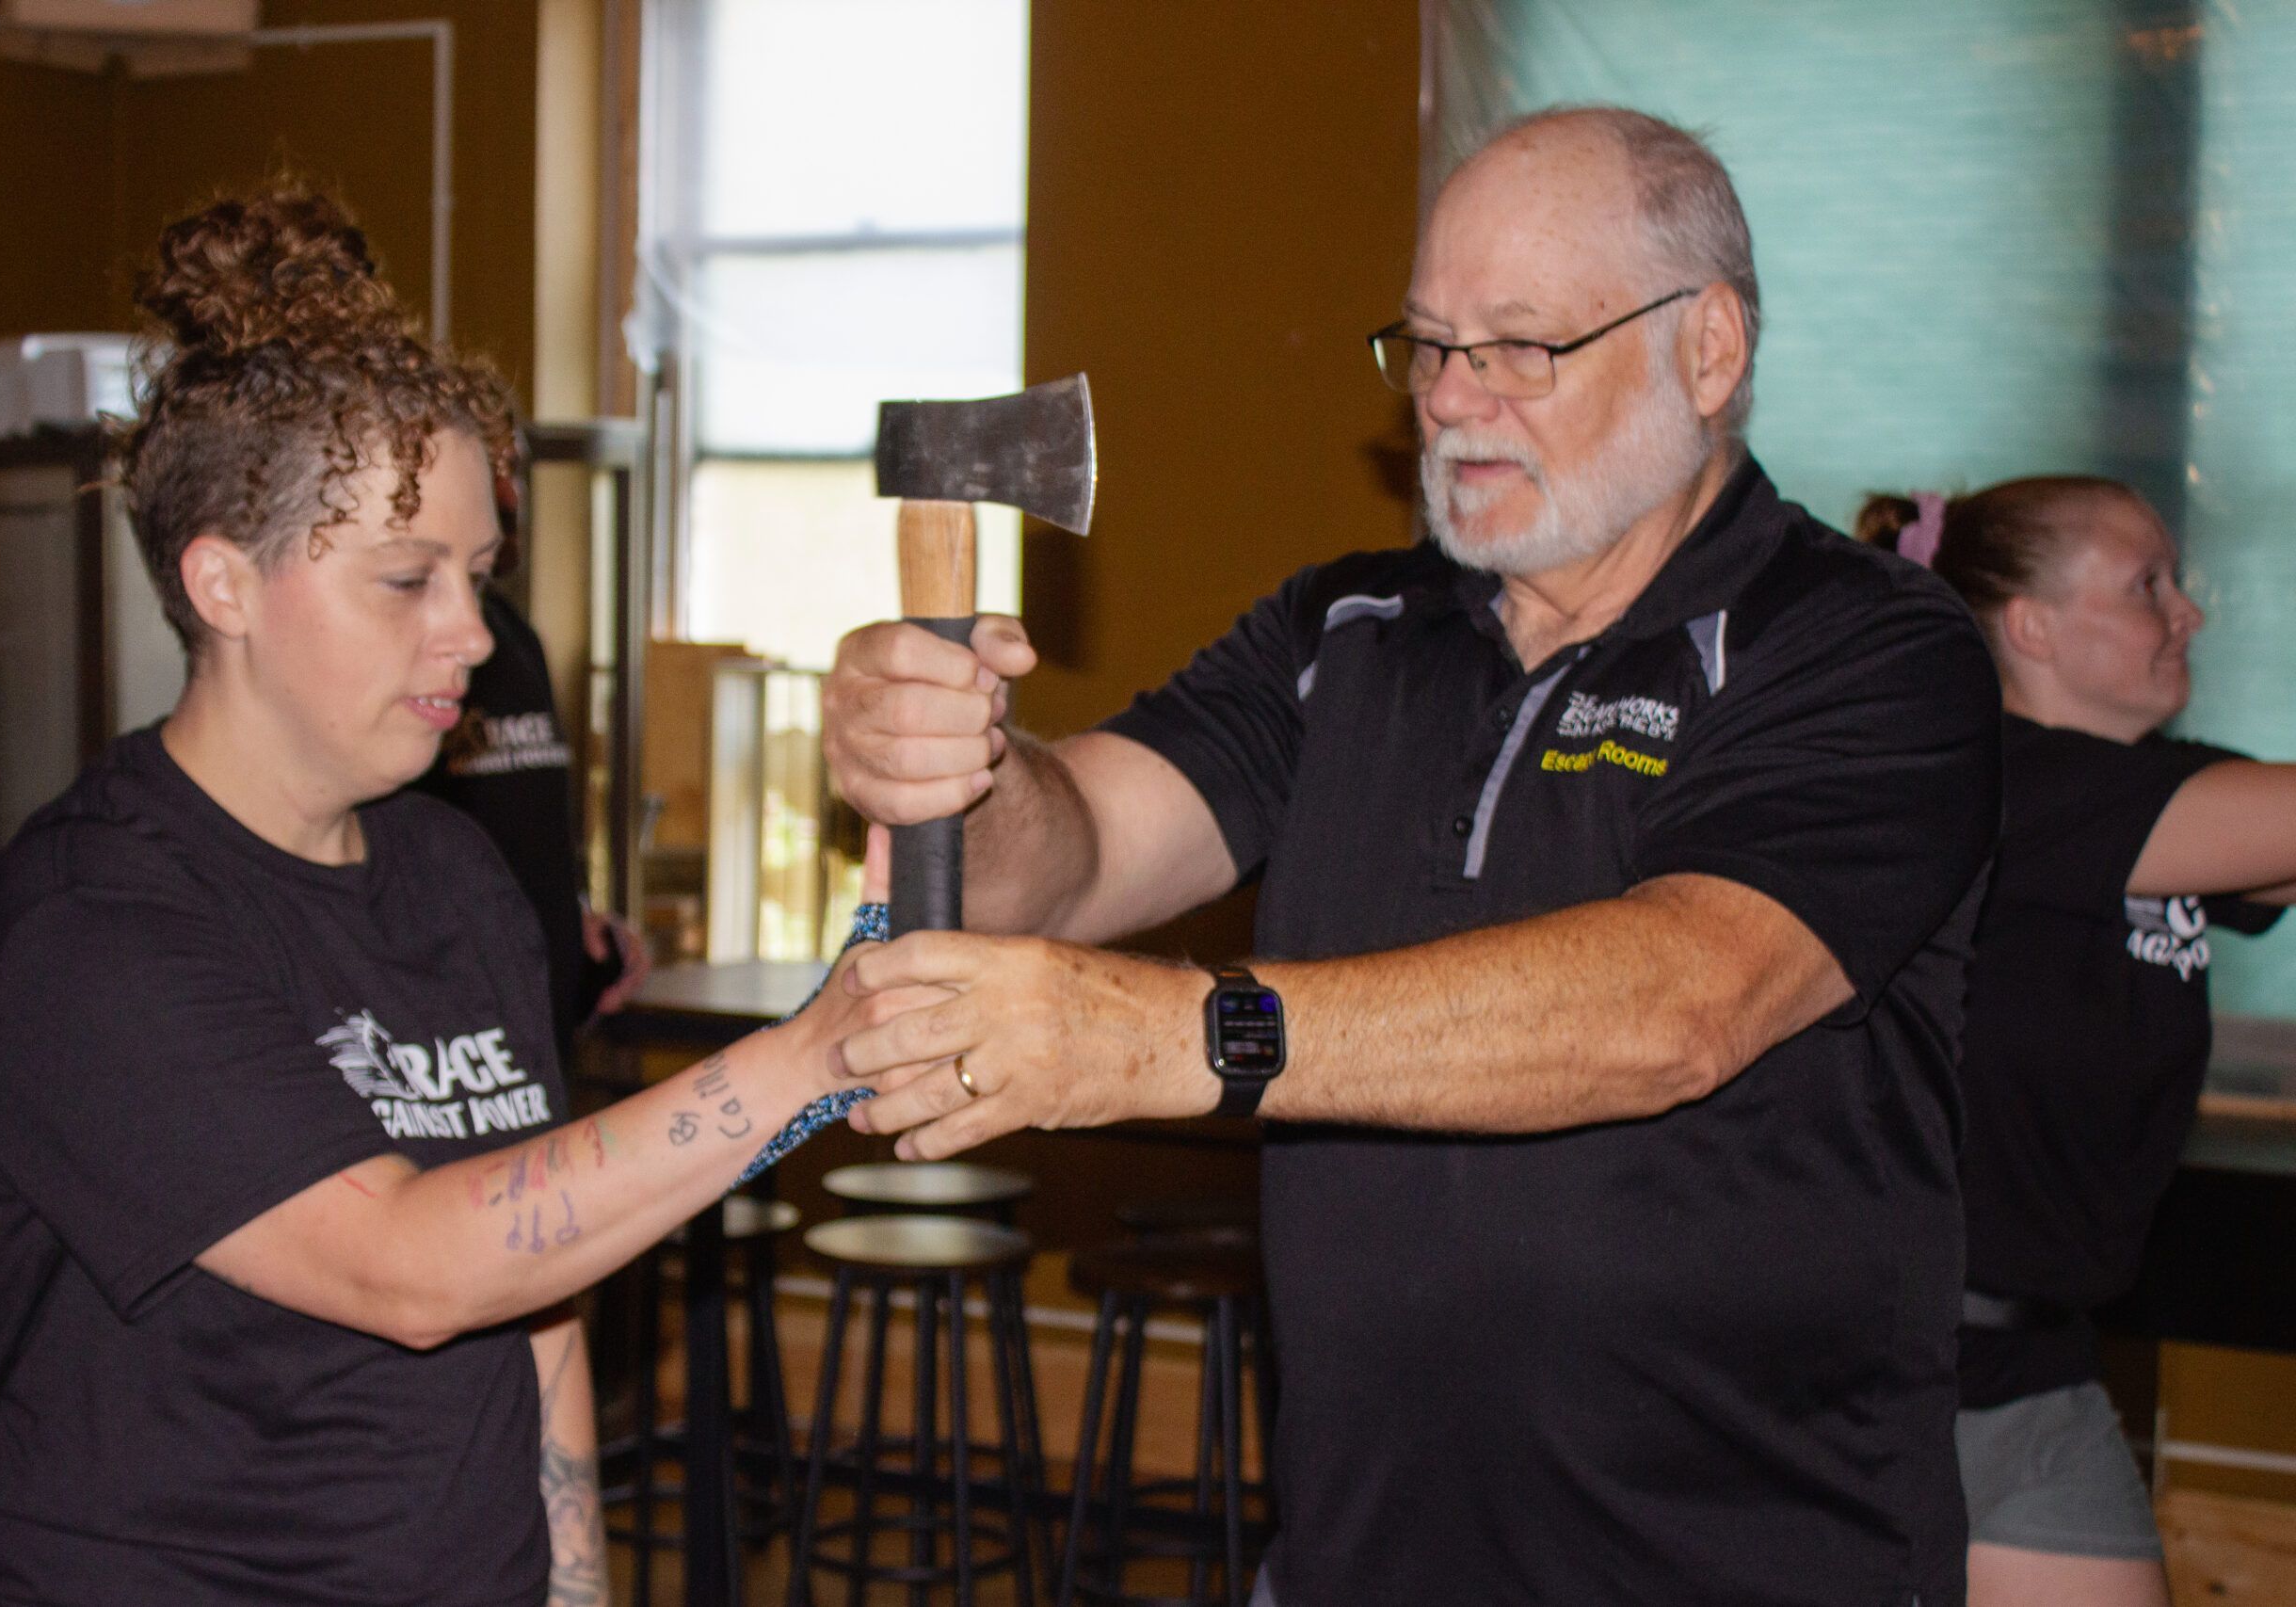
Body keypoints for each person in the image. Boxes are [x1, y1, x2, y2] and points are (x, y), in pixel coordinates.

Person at [818, 105, 2004, 1605]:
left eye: (1519, 346)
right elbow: (1063, 861)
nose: (1452, 400)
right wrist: (953, 763)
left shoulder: (1861, 648)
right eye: (1429, 345)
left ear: (1708, 350)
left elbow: (1678, 1000)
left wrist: (1174, 1033)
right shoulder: (1347, 631)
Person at [0, 187, 924, 1607]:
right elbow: (411, 1259)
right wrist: (810, 1058)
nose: (474, 630)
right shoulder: (88, 929)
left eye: (481, 573)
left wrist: (573, 1586)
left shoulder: (448, 869)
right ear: (225, 584)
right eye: (409, 578)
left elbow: (540, 1294)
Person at [1858, 480, 2293, 1607]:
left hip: (2033, 1372)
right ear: (2031, 628)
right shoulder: (1992, 780)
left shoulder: (2142, 796)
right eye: (2147, 587)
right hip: (1870, 1380)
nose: (2186, 613)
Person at [411, 455, 649, 1038]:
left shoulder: (513, 636)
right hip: (452, 1001)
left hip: (543, 993)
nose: (508, 490)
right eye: (489, 468)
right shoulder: (417, 651)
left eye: (511, 465)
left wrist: (580, 913)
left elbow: (534, 808)